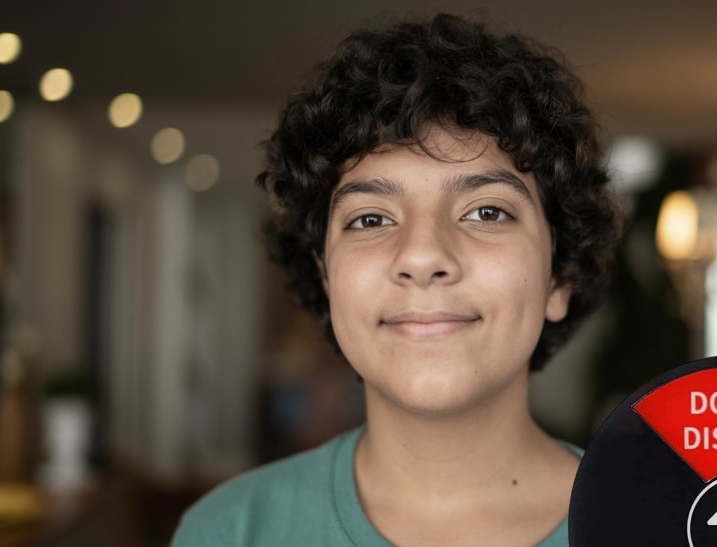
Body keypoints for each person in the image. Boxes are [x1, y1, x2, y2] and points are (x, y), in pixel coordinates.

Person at [171, 12, 622, 546]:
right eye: (371, 219)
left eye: (487, 212)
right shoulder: (229, 531)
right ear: (326, 274)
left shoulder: (664, 526)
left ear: (558, 276)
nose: (423, 254)